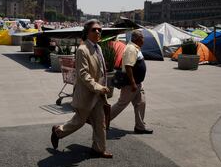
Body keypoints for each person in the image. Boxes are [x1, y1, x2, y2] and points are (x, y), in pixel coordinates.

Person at [51, 19, 113, 158]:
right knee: (79, 122)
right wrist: (98, 87)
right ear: (87, 32)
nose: (98, 31)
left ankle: (98, 149)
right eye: (94, 29)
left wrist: (103, 85)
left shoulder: (99, 48)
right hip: (87, 93)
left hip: (98, 94)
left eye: (99, 30)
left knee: (100, 122)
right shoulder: (82, 49)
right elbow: (83, 74)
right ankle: (58, 131)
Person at [110, 30, 153, 134]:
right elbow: (128, 67)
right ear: (138, 39)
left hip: (138, 83)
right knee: (121, 104)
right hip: (131, 84)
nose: (143, 40)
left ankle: (140, 127)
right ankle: (102, 121)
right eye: (142, 38)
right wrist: (133, 83)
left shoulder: (135, 48)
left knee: (141, 103)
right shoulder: (131, 49)